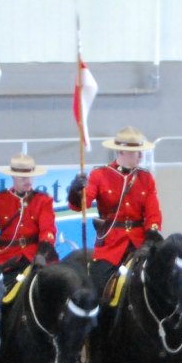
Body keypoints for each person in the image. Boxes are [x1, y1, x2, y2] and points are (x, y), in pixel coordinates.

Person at [67, 126, 163, 295]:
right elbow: (82, 204)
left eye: (141, 151)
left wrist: (152, 234)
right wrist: (75, 190)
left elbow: (153, 212)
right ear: (122, 152)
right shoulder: (100, 175)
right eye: (136, 152)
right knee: (98, 285)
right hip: (112, 243)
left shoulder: (146, 178)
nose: (141, 155)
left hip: (139, 242)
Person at [0, 152, 58, 286]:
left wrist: (42, 254)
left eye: (30, 177)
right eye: (23, 178)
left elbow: (47, 230)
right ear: (13, 176)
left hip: (35, 257)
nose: (28, 181)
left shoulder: (43, 200)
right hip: (7, 259)